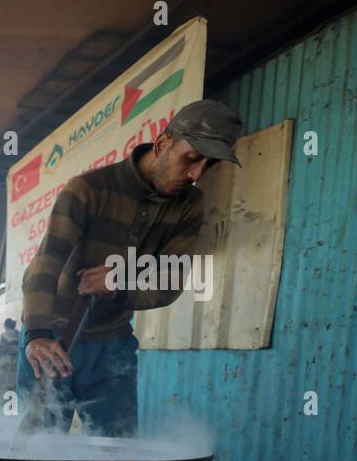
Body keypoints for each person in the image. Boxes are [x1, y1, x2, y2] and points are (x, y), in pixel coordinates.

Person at [19, 99, 243, 436]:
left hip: (113, 346)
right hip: (52, 340)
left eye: (208, 166)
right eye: (192, 158)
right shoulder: (87, 190)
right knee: (33, 456)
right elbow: (44, 264)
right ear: (163, 143)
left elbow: (171, 281)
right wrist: (36, 334)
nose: (196, 174)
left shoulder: (190, 206)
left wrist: (120, 282)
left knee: (118, 456)